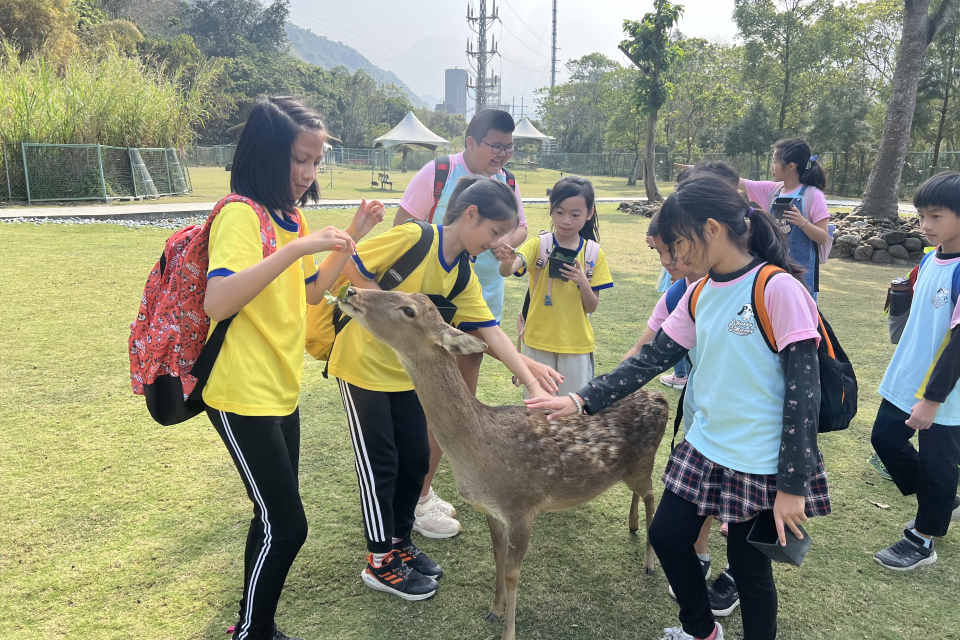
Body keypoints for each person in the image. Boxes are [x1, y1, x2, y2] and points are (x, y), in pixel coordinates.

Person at [526, 174, 830, 640]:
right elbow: (652, 358)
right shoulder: (698, 291)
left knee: (750, 572)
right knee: (667, 536)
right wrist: (580, 399)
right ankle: (701, 630)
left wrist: (792, 485)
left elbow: (803, 396)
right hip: (704, 447)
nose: (673, 260)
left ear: (710, 229)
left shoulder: (778, 290)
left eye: (677, 246)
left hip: (761, 461)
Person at [202, 96, 385, 640]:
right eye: (299, 160)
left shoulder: (288, 216)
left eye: (315, 161)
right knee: (287, 525)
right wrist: (297, 245)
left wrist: (353, 233)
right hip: (239, 395)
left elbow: (307, 293)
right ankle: (253, 632)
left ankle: (255, 627)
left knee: (270, 518)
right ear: (266, 153)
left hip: (281, 393)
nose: (308, 174)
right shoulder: (240, 213)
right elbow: (218, 300)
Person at [331, 176, 552, 602]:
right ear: (470, 214)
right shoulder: (415, 237)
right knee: (382, 466)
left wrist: (527, 375)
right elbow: (351, 268)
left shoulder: (463, 276)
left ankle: (399, 544)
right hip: (361, 369)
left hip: (408, 376)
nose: (493, 243)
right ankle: (380, 562)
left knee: (414, 460)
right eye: (492, 232)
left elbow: (488, 330)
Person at [392, 109, 537, 537]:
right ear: (470, 142)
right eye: (496, 145)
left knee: (455, 409)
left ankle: (420, 495)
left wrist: (501, 242)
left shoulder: (507, 183)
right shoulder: (438, 173)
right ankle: (410, 498)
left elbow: (521, 228)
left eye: (509, 147)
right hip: (426, 318)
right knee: (419, 407)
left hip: (477, 308)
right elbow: (403, 230)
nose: (503, 155)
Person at [871, 171, 960, 570]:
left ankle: (923, 539)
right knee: (885, 439)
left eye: (936, 216)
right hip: (906, 378)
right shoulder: (928, 259)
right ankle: (942, 499)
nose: (925, 225)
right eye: (921, 215)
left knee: (940, 465)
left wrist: (932, 400)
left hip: (944, 394)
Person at [498, 176, 613, 397]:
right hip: (538, 343)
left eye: (575, 214)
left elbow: (591, 306)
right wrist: (505, 260)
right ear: (551, 209)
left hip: (577, 346)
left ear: (589, 214)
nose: (566, 220)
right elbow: (508, 270)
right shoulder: (539, 244)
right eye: (559, 212)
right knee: (537, 413)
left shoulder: (593, 254)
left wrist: (582, 282)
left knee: (573, 414)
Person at [741, 139, 831, 300]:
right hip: (772, 267)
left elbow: (823, 237)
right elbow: (736, 181)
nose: (772, 166)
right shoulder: (771, 190)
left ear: (791, 166)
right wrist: (701, 171)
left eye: (775, 161)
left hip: (802, 274)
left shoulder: (814, 195)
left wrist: (802, 222)